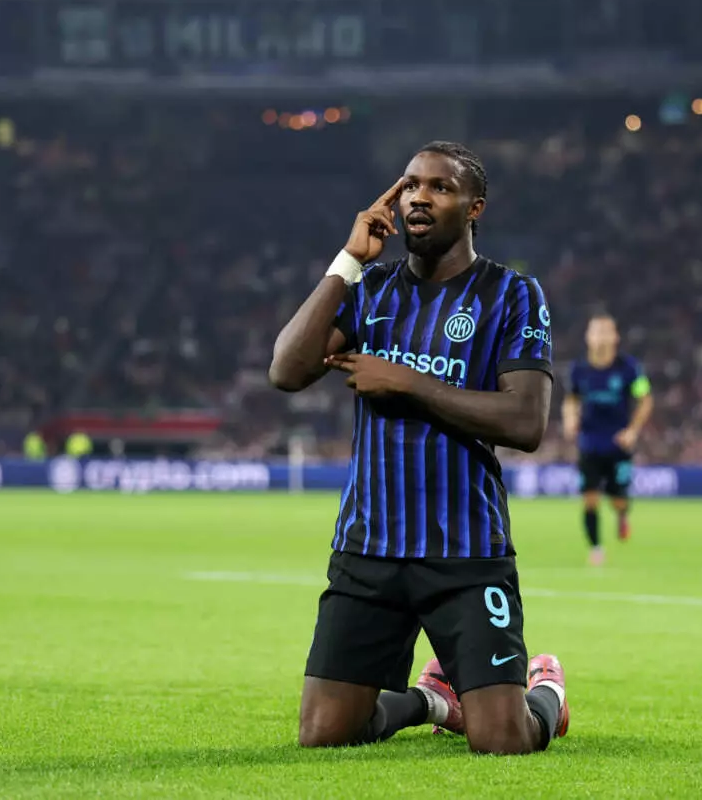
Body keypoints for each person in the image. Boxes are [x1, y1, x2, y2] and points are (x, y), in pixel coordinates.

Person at [270, 141, 569, 754]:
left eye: (439, 187)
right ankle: (432, 700)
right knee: (324, 735)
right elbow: (287, 369)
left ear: (474, 207)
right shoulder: (370, 289)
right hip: (370, 547)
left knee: (502, 742)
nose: (418, 198)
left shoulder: (511, 295)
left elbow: (525, 421)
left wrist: (407, 382)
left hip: (465, 552)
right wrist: (349, 259)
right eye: (409, 186)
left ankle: (546, 693)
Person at [562, 314, 653, 566]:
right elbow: (572, 399)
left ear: (616, 337)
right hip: (589, 442)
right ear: (588, 337)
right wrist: (569, 418)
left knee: (618, 500)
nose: (601, 337)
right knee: (589, 498)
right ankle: (596, 548)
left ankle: (622, 514)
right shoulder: (578, 370)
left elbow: (645, 399)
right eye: (596, 332)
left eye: (606, 332)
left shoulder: (629, 368)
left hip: (618, 443)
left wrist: (632, 430)